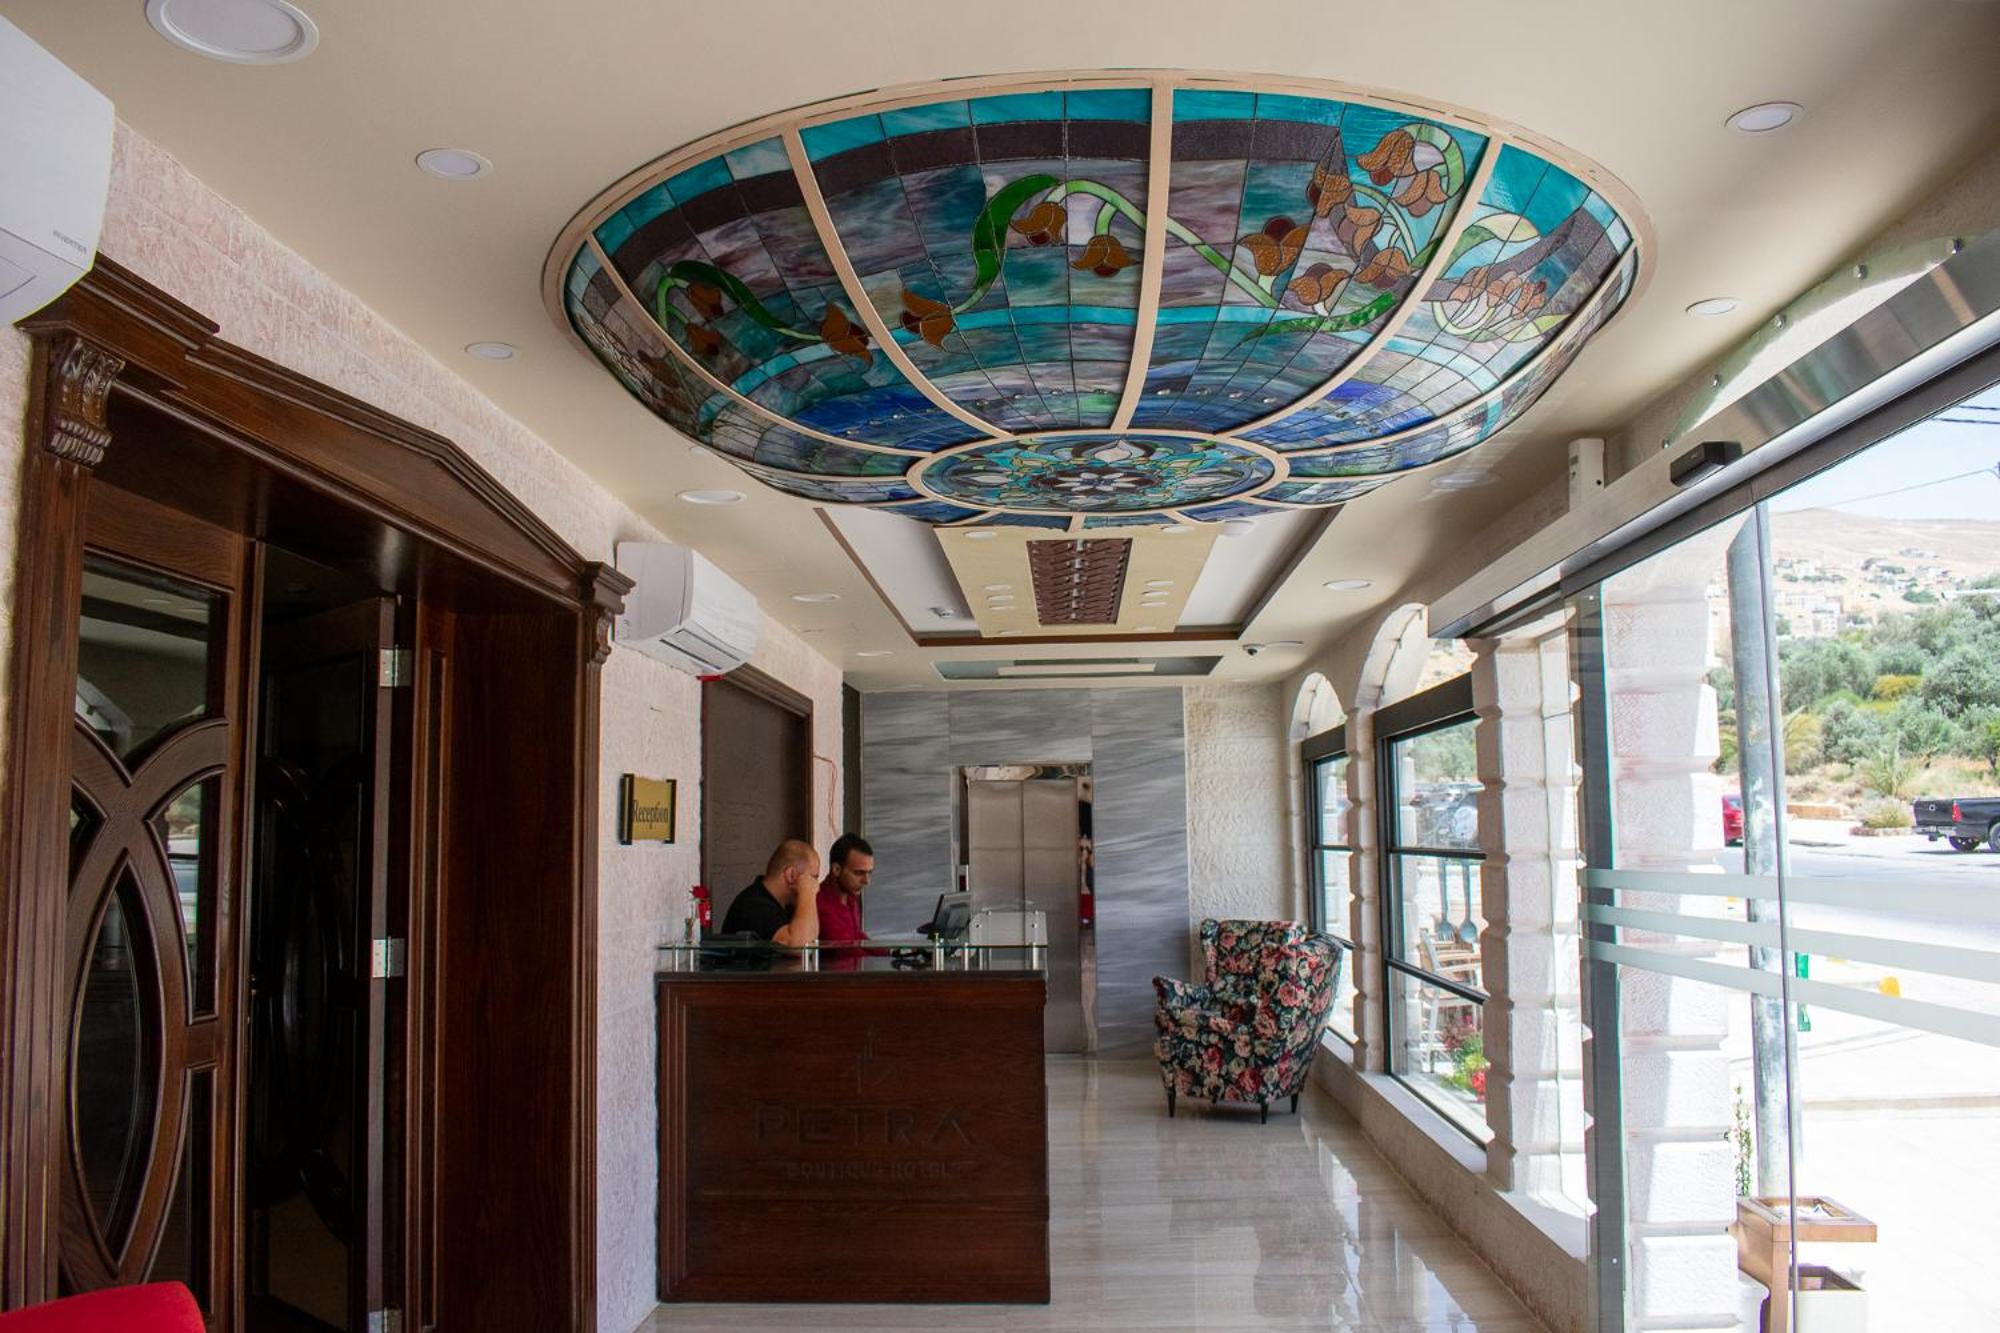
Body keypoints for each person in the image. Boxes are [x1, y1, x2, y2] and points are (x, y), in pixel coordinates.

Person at [719, 839, 820, 945]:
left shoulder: (783, 906)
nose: (816, 885)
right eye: (813, 877)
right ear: (791, 875)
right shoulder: (754, 905)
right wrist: (808, 892)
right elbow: (800, 946)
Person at [815, 833, 874, 947]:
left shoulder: (851, 896)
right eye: (859, 873)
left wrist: (891, 952)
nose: (867, 881)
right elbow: (846, 950)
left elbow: (856, 936)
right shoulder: (819, 903)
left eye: (869, 873)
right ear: (836, 869)